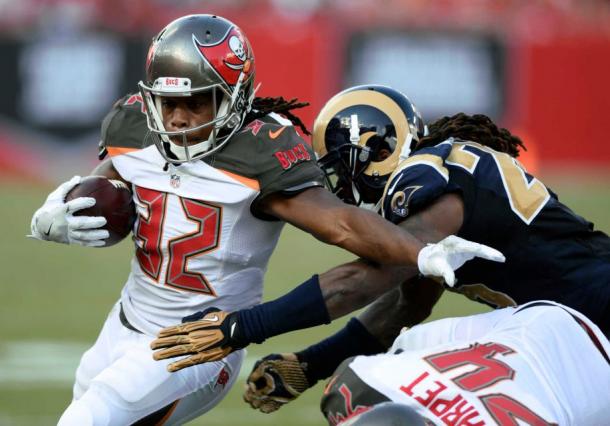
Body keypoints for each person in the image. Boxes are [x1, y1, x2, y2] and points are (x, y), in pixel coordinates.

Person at [28, 17, 498, 424]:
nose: (177, 118)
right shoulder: (132, 122)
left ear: (234, 96)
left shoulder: (261, 150)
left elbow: (340, 225)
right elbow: (111, 176)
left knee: (89, 418)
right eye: (168, 103)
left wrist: (421, 251)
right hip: (124, 321)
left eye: (197, 102)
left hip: (201, 342)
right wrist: (62, 202)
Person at [144, 85, 609, 412]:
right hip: (575, 330)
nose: (341, 188)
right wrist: (312, 363)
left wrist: (243, 326)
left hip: (586, 324)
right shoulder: (449, 168)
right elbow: (406, 304)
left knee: (383, 379)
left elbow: (364, 279)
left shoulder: (422, 176)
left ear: (376, 148)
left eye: (341, 168)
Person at [321, 301, 610, 425]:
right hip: (537, 324)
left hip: (595, 384)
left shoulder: (356, 385)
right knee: (407, 344)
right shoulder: (354, 383)